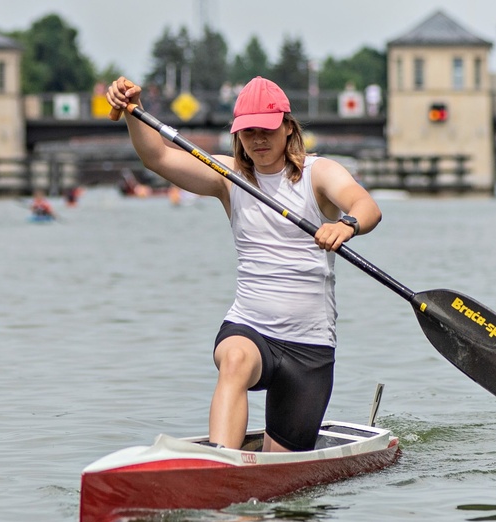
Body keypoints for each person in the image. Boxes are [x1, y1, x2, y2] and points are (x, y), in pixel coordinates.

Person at [106, 76, 382, 452]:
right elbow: (157, 157)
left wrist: (345, 224)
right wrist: (133, 112)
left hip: (309, 347)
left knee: (282, 463)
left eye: (267, 130)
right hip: (250, 327)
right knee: (234, 359)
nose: (258, 140)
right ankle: (220, 462)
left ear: (288, 127)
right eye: (248, 132)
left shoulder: (320, 173)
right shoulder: (229, 177)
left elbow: (366, 205)